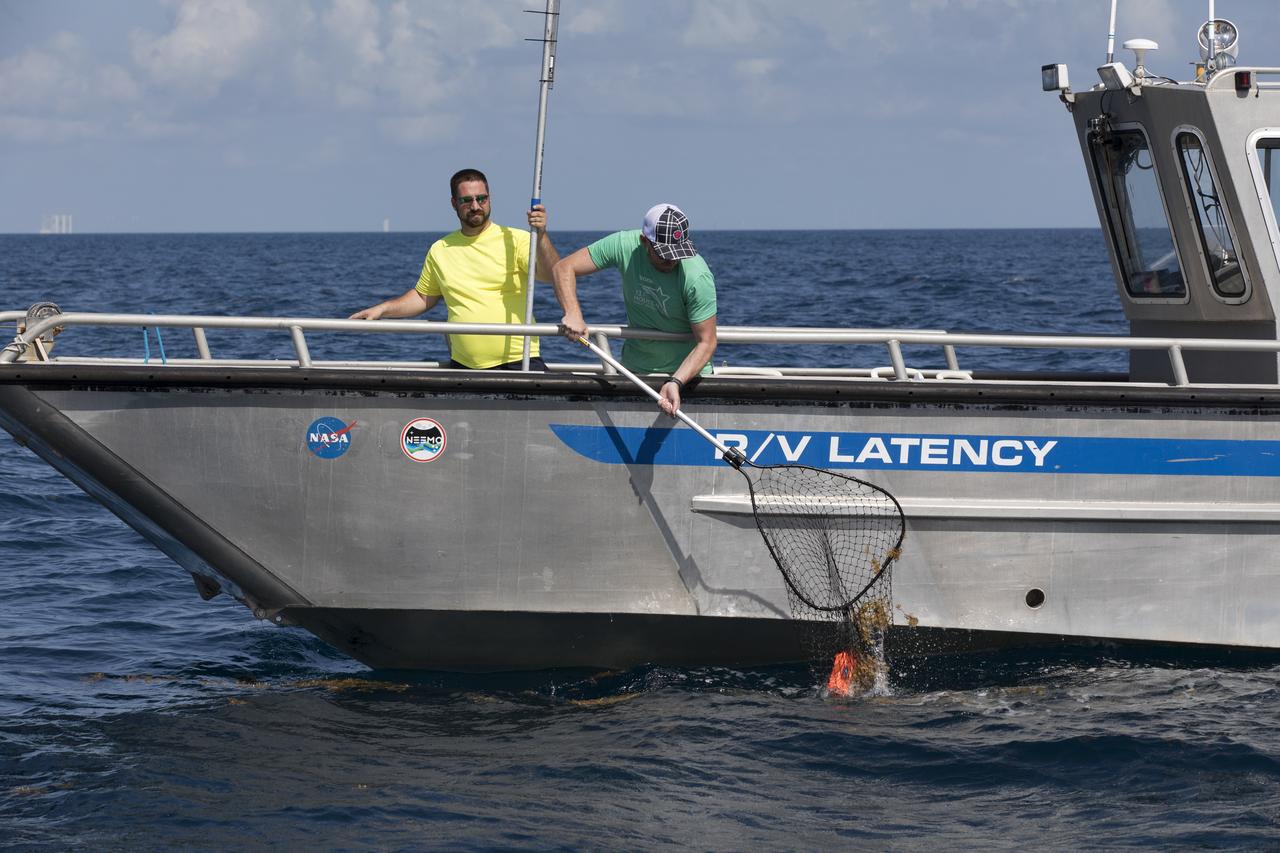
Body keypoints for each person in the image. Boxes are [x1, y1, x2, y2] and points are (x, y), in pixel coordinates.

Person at [350, 168, 560, 371]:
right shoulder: (440, 249)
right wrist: (382, 310)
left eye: (482, 198)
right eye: (467, 200)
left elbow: (552, 274)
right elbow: (423, 297)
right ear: (454, 203)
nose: (476, 206)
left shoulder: (517, 240)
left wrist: (541, 235)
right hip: (464, 366)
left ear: (490, 199)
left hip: (519, 362)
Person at [553, 203, 717, 416]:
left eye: (677, 253)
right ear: (643, 241)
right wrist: (573, 313)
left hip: (687, 380)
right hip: (634, 372)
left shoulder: (697, 277)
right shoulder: (624, 245)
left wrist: (676, 381)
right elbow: (563, 268)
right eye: (664, 253)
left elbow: (707, 342)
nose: (672, 260)